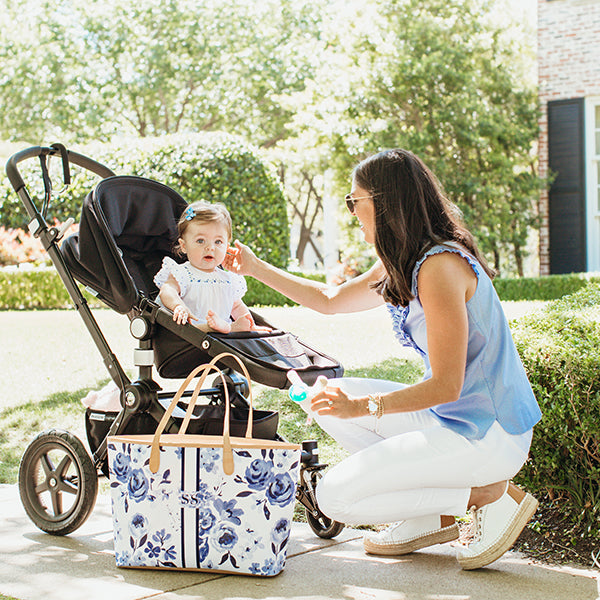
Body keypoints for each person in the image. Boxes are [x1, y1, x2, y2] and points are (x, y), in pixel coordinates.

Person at [224, 149, 542, 570]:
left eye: (355, 201)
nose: (353, 211)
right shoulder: (405, 260)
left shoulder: (440, 267)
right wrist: (253, 267)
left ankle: (485, 494)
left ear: (385, 202)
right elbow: (330, 300)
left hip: (490, 435)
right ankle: (428, 514)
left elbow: (446, 384)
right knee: (327, 396)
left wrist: (363, 408)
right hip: (454, 418)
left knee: (334, 496)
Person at [154, 201, 264, 334]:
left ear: (227, 246)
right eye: (200, 241)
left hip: (222, 342)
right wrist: (178, 306)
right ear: (184, 246)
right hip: (191, 332)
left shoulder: (228, 278)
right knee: (190, 329)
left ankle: (227, 328)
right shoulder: (183, 273)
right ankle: (221, 328)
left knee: (237, 319)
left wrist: (249, 322)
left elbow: (236, 306)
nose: (210, 247)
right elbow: (167, 291)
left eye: (218, 242)